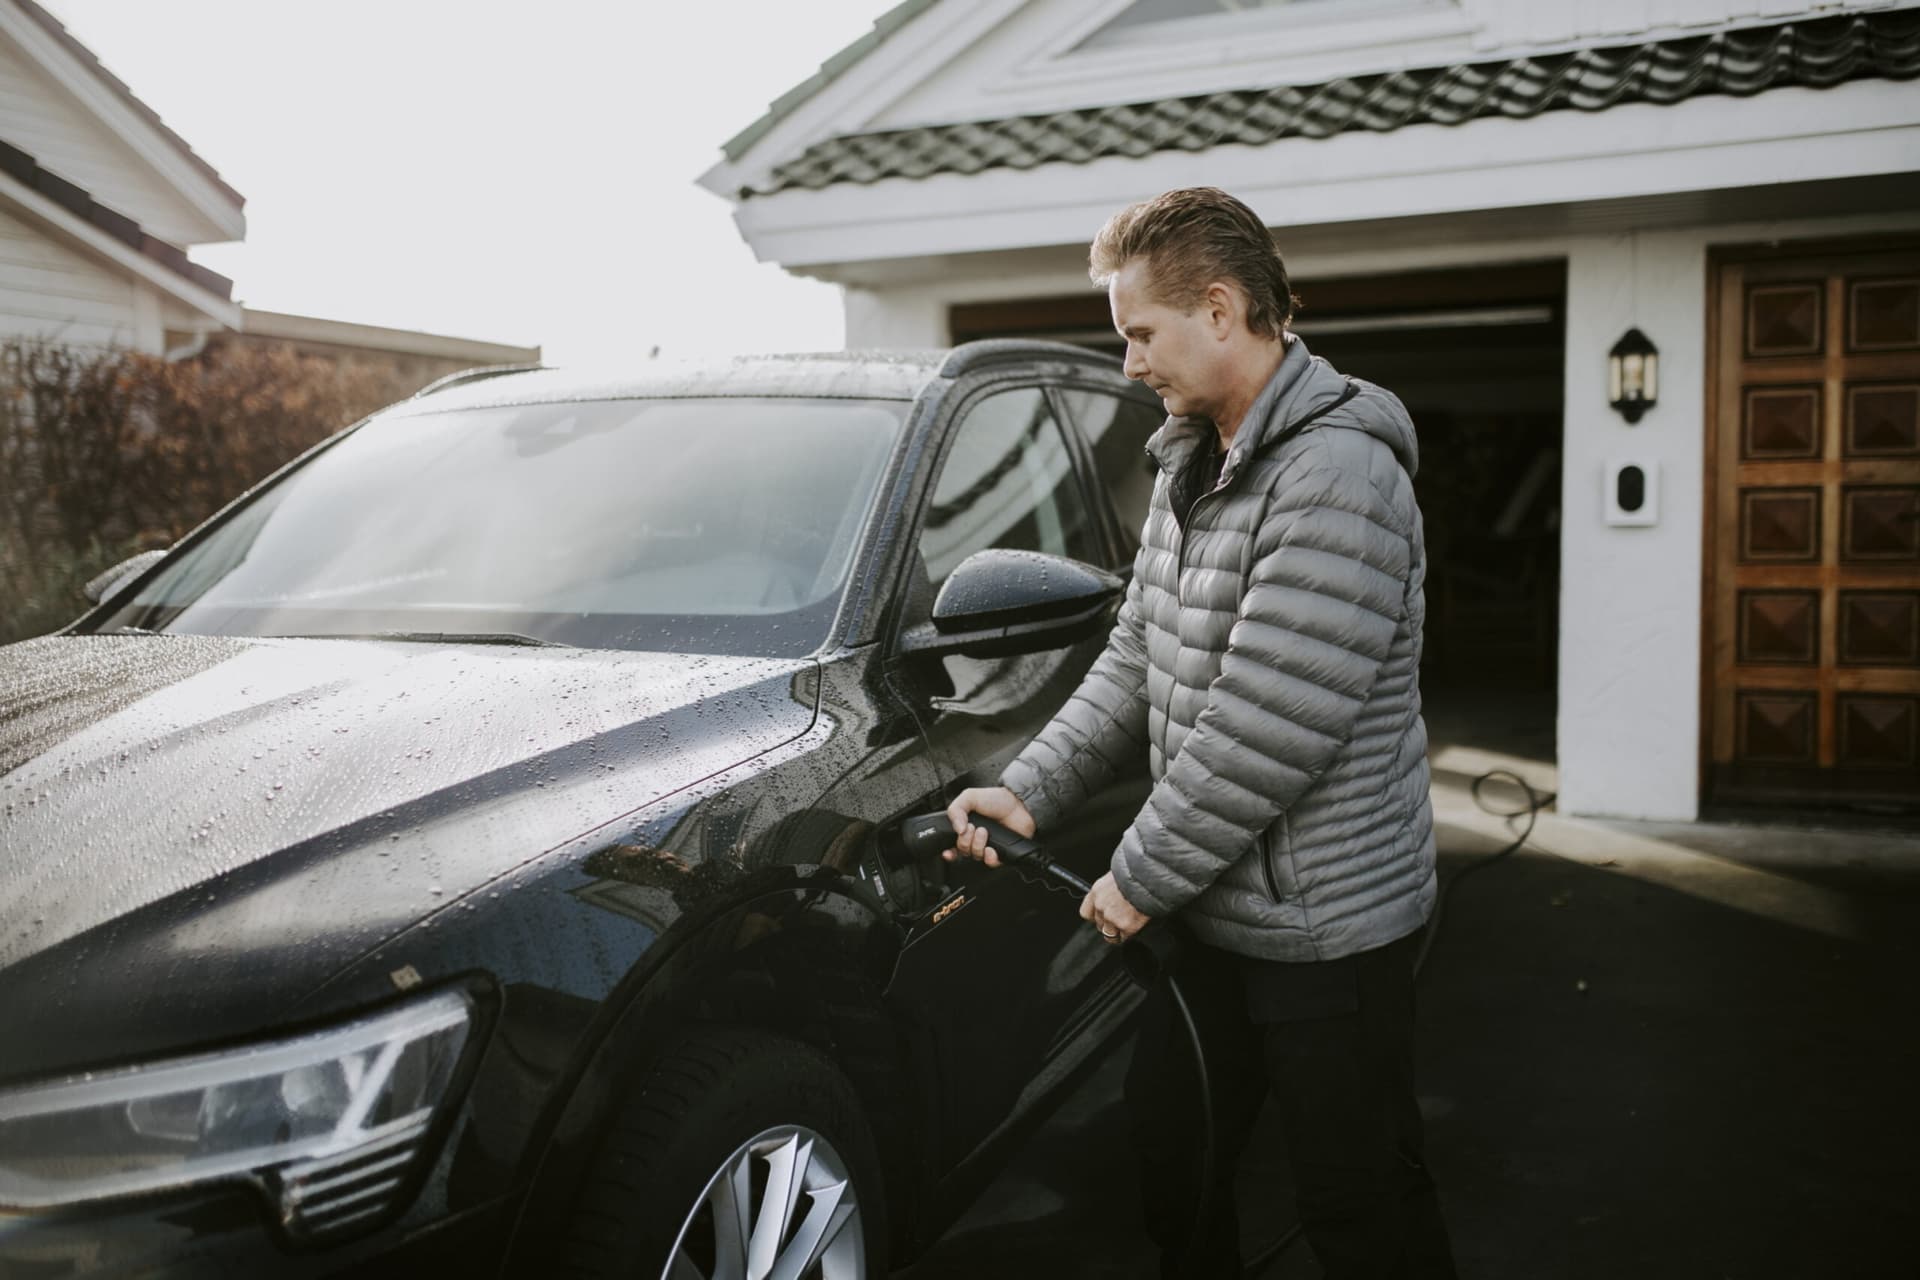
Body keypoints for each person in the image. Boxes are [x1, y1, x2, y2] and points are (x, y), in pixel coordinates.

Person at [942, 187, 1456, 1279]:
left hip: (1329, 929)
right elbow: (1138, 651)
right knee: (1178, 1154)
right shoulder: (1193, 460)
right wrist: (1032, 784)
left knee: (1358, 1198)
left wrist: (1138, 874)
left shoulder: (1339, 473)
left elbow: (1270, 719)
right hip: (1218, 909)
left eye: (1139, 331)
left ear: (1220, 310)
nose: (1127, 361)